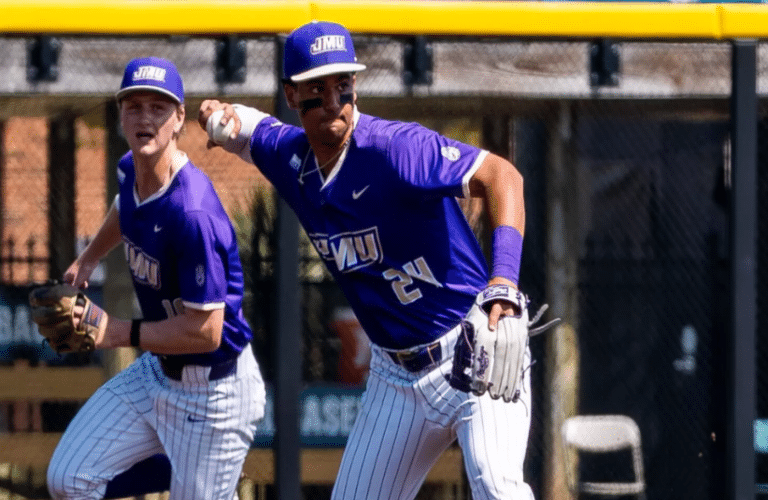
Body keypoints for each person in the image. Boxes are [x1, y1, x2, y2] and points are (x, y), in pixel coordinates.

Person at [199, 21, 535, 499]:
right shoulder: (291, 159)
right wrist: (219, 114)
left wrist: (503, 278)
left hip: (472, 350)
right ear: (292, 95)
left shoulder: (395, 149)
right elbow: (251, 131)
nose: (334, 101)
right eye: (318, 88)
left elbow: (504, 177)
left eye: (344, 84)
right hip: (395, 378)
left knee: (496, 486)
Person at [45, 56, 266, 500]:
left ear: (179, 118)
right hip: (158, 374)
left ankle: (198, 462)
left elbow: (205, 332)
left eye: (158, 108)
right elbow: (126, 207)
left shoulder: (193, 213)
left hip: (215, 391)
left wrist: (112, 332)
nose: (145, 118)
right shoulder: (131, 170)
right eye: (134, 106)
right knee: (67, 479)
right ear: (121, 113)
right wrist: (88, 258)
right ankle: (184, 463)